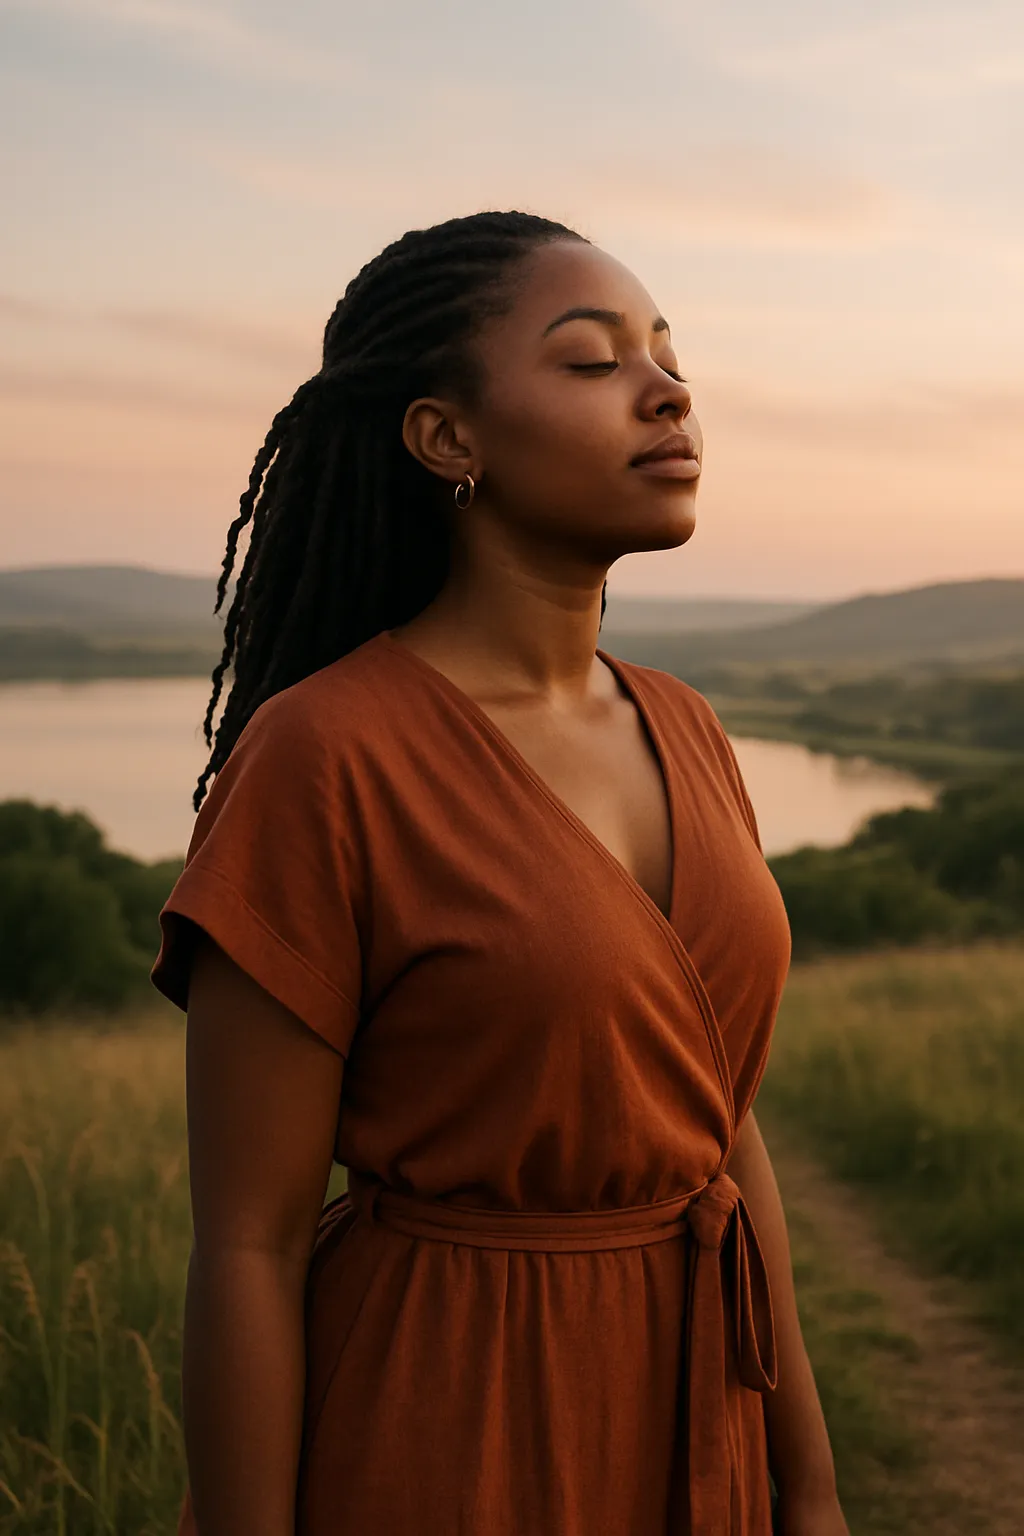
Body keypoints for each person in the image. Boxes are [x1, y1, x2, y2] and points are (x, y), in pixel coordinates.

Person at [152, 210, 848, 1536]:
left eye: (668, 355)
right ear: (446, 439)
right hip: (446, 1417)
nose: (667, 391)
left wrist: (807, 1489)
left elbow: (720, 1131)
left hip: (698, 1409)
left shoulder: (686, 725)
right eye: (592, 361)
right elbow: (247, 1246)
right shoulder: (325, 756)